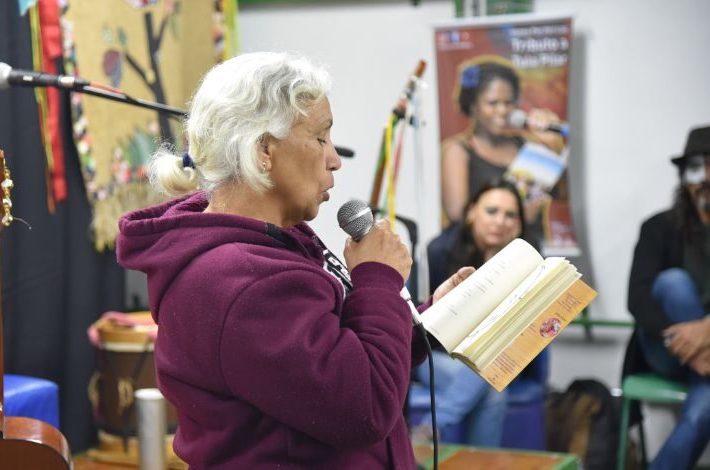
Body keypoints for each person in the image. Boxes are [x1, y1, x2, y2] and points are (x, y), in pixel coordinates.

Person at [116, 51, 472, 469]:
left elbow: (324, 359)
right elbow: (364, 407)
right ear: (264, 149)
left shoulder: (261, 249)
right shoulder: (244, 282)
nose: (335, 159)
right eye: (321, 137)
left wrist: (423, 323)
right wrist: (377, 278)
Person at [418, 178, 529, 446]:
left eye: (510, 215)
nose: (500, 221)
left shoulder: (527, 258)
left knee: (491, 375)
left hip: (501, 361)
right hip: (439, 355)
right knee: (492, 388)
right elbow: (433, 326)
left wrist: (498, 261)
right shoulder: (440, 252)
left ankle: (429, 430)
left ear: (519, 224)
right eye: (492, 211)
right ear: (471, 214)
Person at [627, 125, 710, 470]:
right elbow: (638, 298)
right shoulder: (658, 228)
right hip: (665, 347)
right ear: (685, 179)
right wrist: (687, 340)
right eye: (698, 169)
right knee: (673, 283)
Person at [440, 56, 565, 226]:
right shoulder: (458, 150)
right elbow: (458, 215)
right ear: (473, 105)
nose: (502, 110)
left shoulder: (526, 145)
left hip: (530, 249)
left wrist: (551, 148)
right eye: (493, 103)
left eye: (508, 103)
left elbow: (563, 194)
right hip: (490, 252)